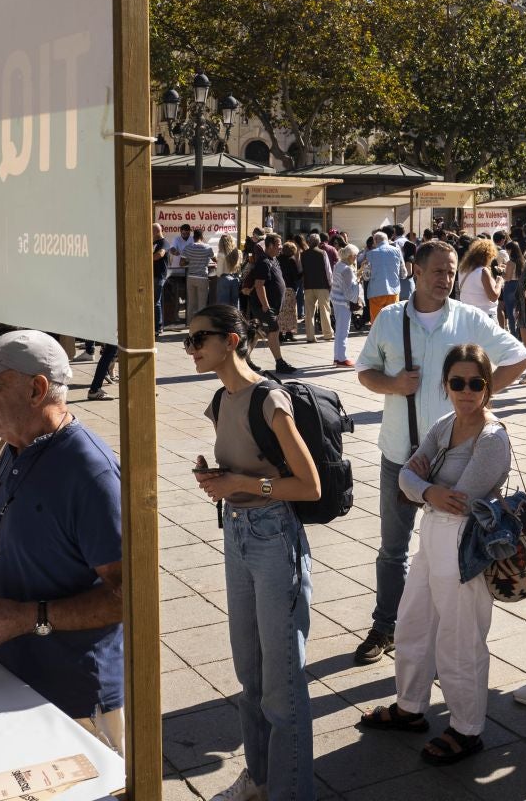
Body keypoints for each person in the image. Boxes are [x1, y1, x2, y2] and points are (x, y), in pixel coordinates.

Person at [0, 331, 124, 744]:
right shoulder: (16, 448)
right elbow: (13, 543)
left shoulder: (90, 473)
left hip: (73, 698)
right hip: (8, 675)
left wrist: (28, 618)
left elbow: (130, 596)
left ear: (37, 390)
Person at [353, 240, 526, 665]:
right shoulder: (391, 318)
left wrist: (477, 398)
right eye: (437, 271)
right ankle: (385, 625)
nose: (446, 279)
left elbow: (520, 358)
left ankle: (440, 635)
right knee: (393, 549)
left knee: (452, 551)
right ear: (415, 271)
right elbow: (365, 370)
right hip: (402, 452)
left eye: (451, 272)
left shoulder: (469, 318)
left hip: (456, 459)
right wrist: (393, 385)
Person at [187, 304, 323, 801]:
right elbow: (241, 469)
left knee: (282, 685)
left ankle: (289, 792)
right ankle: (261, 780)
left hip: (274, 539)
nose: (191, 349)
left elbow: (308, 485)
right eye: (188, 340)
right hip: (237, 533)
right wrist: (216, 479)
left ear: (230, 340)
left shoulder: (269, 399)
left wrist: (242, 484)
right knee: (250, 677)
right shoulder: (220, 399)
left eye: (199, 339)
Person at [359, 344, 512, 765]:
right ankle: (409, 706)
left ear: (487, 387)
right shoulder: (445, 424)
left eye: (476, 383)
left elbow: (463, 499)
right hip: (431, 533)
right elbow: (406, 476)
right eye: (457, 383)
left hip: (466, 544)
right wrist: (430, 491)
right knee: (413, 621)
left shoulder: (492, 437)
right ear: (445, 385)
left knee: (460, 638)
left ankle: (466, 729)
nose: (467, 391)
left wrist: (425, 487)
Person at [242, 235, 295, 375]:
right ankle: (280, 363)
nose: (281, 247)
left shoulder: (273, 259)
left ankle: (244, 359)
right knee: (274, 329)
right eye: (278, 244)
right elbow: (259, 285)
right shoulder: (264, 262)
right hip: (263, 306)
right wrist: (265, 306)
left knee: (257, 332)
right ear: (270, 245)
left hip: (270, 306)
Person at [363, 231, 404, 323]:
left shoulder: (370, 254)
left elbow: (366, 277)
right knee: (393, 321)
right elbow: (404, 273)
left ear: (375, 241)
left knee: (377, 323)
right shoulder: (397, 251)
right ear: (387, 240)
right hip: (393, 291)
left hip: (375, 292)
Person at [300, 233, 334, 346]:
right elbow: (328, 270)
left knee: (309, 312)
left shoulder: (303, 254)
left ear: (309, 242)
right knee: (325, 310)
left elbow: (301, 269)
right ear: (319, 242)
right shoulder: (322, 253)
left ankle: (310, 336)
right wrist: (330, 283)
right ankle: (327, 334)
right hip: (322, 285)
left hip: (308, 285)